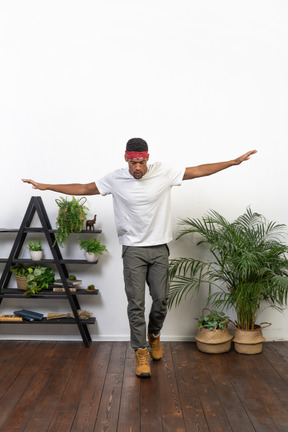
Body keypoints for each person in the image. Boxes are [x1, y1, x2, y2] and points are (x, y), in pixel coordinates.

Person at [22, 138, 257, 378]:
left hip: (159, 248)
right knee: (136, 304)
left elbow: (196, 171)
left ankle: (154, 334)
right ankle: (140, 351)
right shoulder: (115, 179)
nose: (137, 167)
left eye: (141, 162)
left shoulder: (163, 172)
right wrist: (47, 186)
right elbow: (84, 188)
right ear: (126, 158)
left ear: (147, 158)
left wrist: (233, 162)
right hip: (133, 250)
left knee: (161, 299)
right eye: (133, 162)